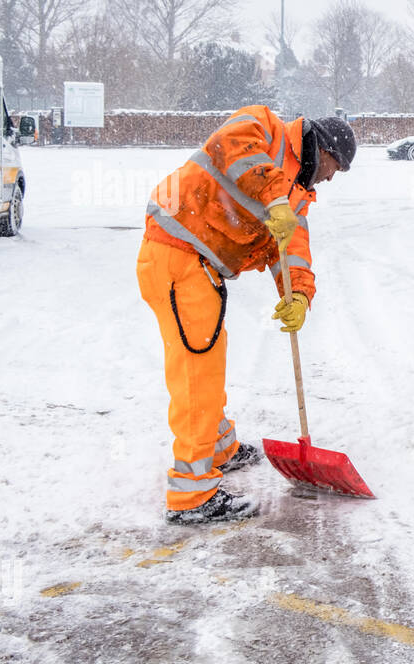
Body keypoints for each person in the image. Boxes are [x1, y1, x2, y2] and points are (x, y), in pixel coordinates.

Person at [138, 107, 356, 524]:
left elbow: (292, 248)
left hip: (198, 269)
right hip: (177, 255)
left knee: (209, 362)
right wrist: (274, 197)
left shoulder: (296, 195)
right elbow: (232, 146)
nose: (329, 179)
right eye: (334, 168)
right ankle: (192, 496)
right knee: (196, 378)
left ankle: (220, 447)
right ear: (322, 149)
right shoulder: (266, 129)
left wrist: (300, 296)